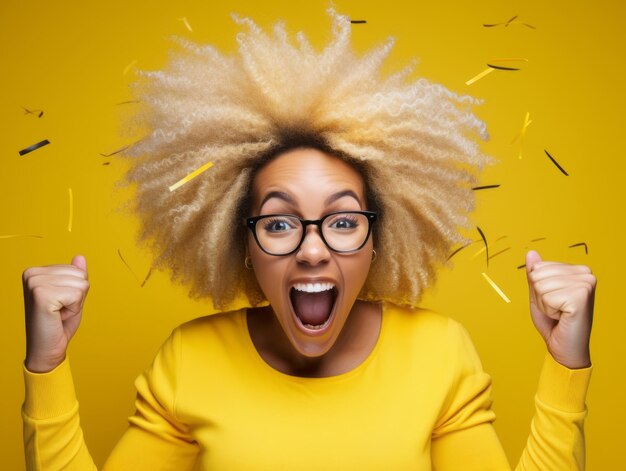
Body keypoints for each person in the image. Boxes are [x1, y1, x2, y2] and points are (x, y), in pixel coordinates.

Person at [21, 9, 596, 470]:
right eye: (278, 223)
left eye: (344, 222)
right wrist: (46, 366)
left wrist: (565, 365)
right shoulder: (190, 360)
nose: (313, 249)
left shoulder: (440, 354)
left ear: (379, 240)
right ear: (239, 244)